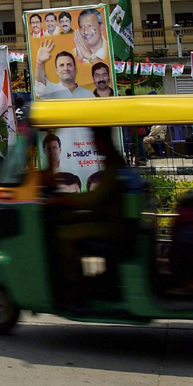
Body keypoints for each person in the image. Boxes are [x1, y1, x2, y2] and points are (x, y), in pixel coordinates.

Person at [51, 127, 128, 303]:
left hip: (112, 226)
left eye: (96, 139)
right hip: (106, 218)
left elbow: (96, 197)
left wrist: (66, 200)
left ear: (103, 141)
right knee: (69, 221)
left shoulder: (114, 164)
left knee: (63, 235)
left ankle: (74, 285)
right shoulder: (112, 162)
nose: (94, 144)